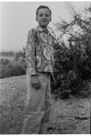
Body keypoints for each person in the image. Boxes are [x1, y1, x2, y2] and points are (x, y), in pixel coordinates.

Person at [22, 5, 55, 134]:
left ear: (50, 18)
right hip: (37, 74)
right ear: (36, 18)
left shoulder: (49, 34)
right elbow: (29, 54)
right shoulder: (33, 32)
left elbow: (49, 56)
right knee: (35, 109)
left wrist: (51, 73)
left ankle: (42, 132)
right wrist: (33, 75)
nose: (44, 17)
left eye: (47, 15)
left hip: (46, 75)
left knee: (47, 108)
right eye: (41, 15)